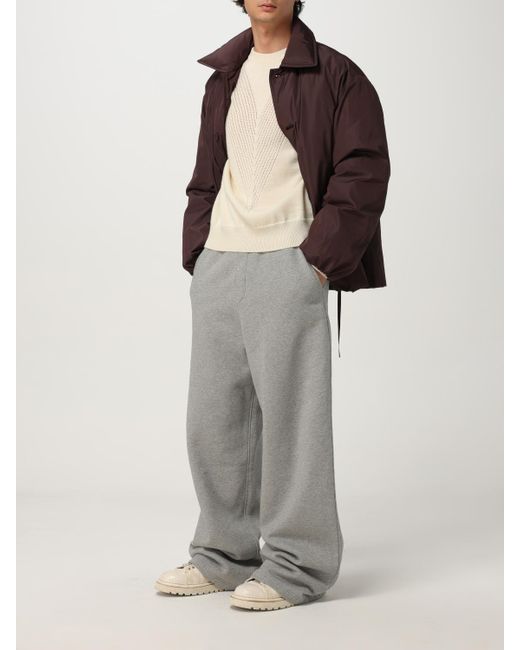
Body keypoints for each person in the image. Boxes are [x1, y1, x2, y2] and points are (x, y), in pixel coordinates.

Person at [155, 0, 390, 611]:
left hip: (290, 261)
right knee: (214, 422)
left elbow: (364, 171)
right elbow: (207, 173)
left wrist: (317, 260)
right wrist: (199, 252)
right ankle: (223, 556)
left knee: (293, 423)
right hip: (220, 263)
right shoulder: (224, 77)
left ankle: (298, 566)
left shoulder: (337, 74)